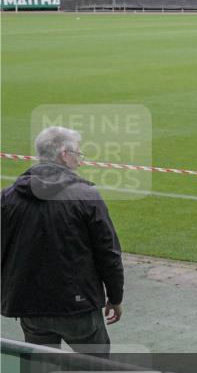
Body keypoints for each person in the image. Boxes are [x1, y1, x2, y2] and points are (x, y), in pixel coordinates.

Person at [2, 126, 124, 352]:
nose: (80, 161)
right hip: (77, 307)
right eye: (77, 154)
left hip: (30, 306)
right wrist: (115, 297)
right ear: (64, 154)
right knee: (97, 370)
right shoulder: (87, 196)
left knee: (40, 370)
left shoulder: (8, 196)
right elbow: (108, 253)